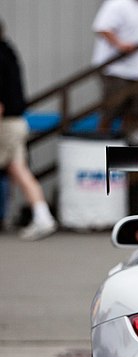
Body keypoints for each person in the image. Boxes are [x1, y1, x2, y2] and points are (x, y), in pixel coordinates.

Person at [0, 19, 57, 240]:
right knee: (18, 170)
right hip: (17, 122)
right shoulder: (9, 52)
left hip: (5, 124)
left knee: (18, 170)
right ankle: (41, 216)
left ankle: (39, 217)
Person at [90, 0, 138, 140]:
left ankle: (126, 143)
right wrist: (120, 45)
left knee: (137, 109)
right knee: (111, 109)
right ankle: (100, 143)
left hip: (137, 70)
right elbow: (102, 28)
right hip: (114, 68)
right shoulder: (117, 3)